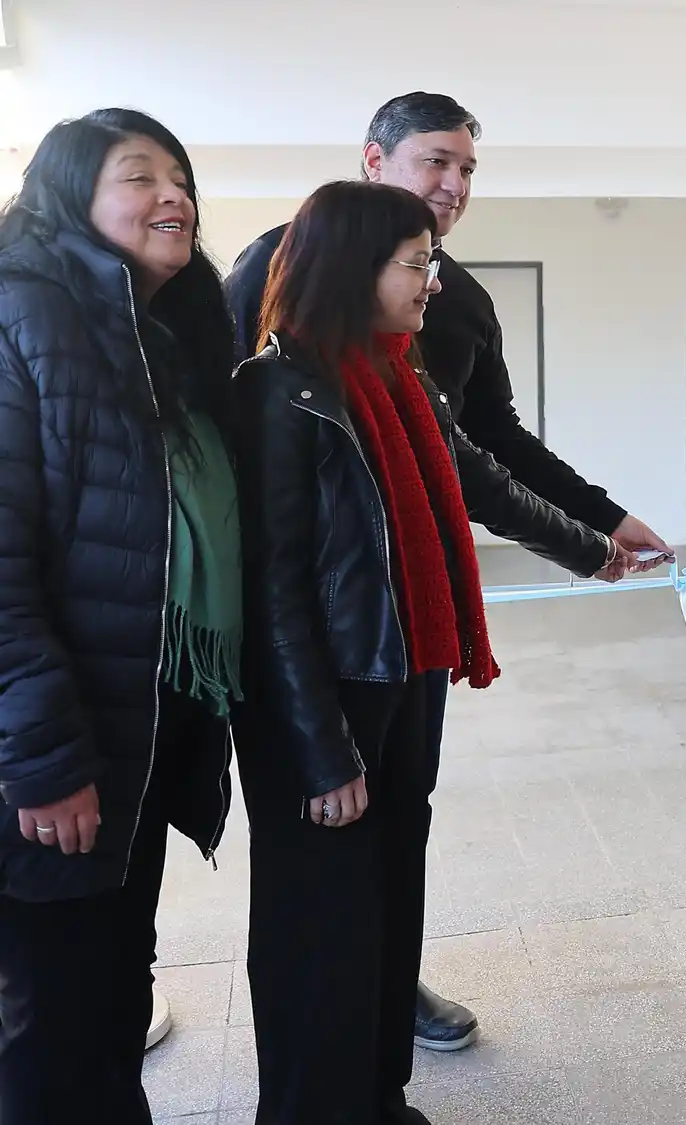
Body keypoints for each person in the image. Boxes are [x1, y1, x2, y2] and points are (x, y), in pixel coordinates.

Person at [225, 90, 669, 1052]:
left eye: (468, 167)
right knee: (322, 878)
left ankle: (387, 1019)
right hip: (326, 644)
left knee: (393, 837)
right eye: (436, 162)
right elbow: (266, 536)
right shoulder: (281, 297)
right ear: (375, 165)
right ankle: (331, 1061)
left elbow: (487, 453)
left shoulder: (436, 328)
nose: (454, 186)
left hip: (410, 632)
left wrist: (600, 532)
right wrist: (303, 723)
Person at [0, 109, 241, 1123]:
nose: (172, 193)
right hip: (57, 745)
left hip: (136, 732)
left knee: (111, 987)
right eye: (139, 175)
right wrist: (47, 757)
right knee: (56, 1019)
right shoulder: (23, 315)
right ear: (67, 197)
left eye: (180, 175)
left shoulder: (166, 342)